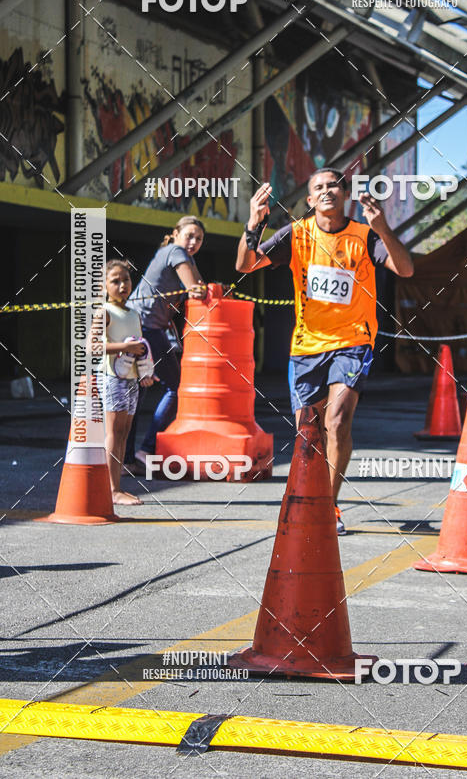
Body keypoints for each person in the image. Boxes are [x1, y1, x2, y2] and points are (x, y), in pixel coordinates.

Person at [236, 168, 414, 534]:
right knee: (308, 431)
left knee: (337, 421)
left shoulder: (364, 236)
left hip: (353, 341)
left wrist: (382, 228)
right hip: (306, 346)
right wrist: (254, 224)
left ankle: (328, 507)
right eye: (318, 187)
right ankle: (310, 497)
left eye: (333, 184)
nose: (326, 190)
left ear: (345, 194)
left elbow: (406, 269)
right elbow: (245, 265)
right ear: (310, 200)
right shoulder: (296, 234)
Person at [124, 216, 207, 470]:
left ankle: (126, 458)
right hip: (146, 327)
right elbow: (197, 289)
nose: (193, 242)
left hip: (141, 325)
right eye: (189, 235)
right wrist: (205, 289)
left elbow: (200, 286)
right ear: (176, 233)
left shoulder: (182, 255)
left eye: (199, 239)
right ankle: (145, 451)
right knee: (177, 387)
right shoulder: (175, 251)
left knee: (136, 393)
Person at [98, 260, 157, 505]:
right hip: (113, 380)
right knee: (113, 432)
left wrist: (147, 372)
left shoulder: (133, 313)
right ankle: (111, 490)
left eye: (126, 280)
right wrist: (124, 347)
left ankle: (117, 486)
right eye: (115, 281)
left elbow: (140, 349)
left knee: (124, 433)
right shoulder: (104, 312)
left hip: (132, 381)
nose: (123, 285)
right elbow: (93, 346)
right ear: (104, 285)